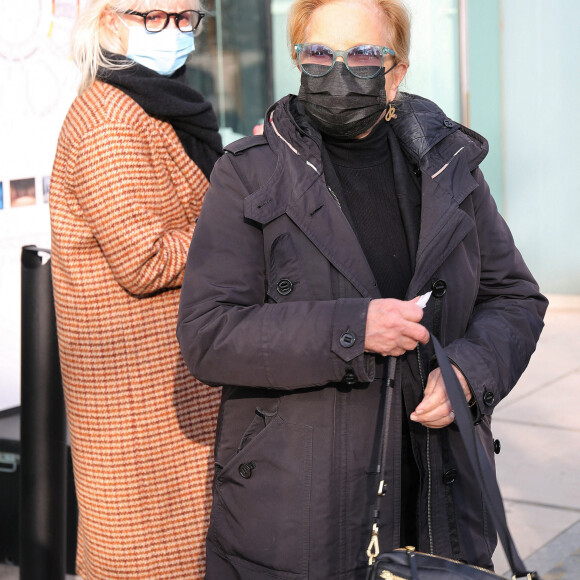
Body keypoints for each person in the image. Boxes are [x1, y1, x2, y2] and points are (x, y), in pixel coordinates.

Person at [176, 0, 548, 578]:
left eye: (365, 55)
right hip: (300, 513)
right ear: (297, 60)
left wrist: (472, 373)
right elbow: (210, 333)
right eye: (319, 53)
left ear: (396, 73)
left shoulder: (450, 166)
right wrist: (351, 330)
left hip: (437, 501)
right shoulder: (248, 173)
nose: (339, 72)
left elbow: (515, 297)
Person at [50, 1, 222, 577]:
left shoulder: (155, 101)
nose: (171, 32)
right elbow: (143, 259)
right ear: (107, 20)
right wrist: (236, 228)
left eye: (184, 19)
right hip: (137, 405)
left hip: (164, 391)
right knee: (151, 560)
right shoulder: (111, 118)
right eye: (153, 15)